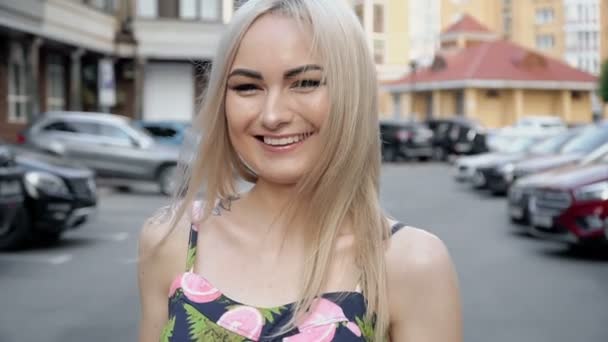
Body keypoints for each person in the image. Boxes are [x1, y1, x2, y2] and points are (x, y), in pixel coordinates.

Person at [137, 0, 462, 341]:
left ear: (353, 93)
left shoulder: (410, 263)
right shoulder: (168, 240)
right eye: (247, 87)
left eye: (305, 82)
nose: (272, 115)